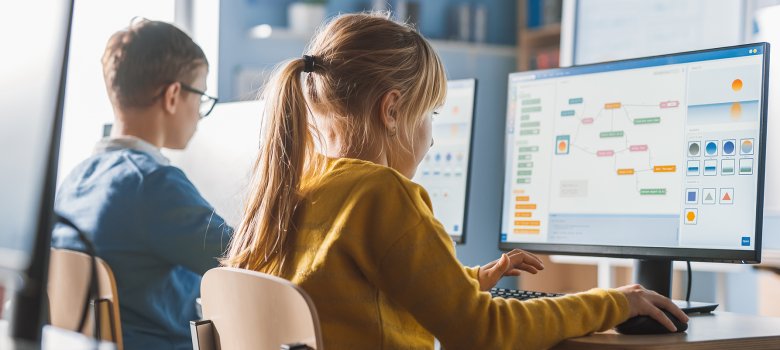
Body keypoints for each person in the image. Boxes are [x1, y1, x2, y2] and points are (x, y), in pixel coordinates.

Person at [223, 12, 688, 350]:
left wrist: (466, 281)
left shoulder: (296, 191)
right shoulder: (381, 194)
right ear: (391, 111)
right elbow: (481, 332)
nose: (429, 134)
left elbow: (360, 296)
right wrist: (612, 303)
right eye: (431, 113)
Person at [53, 19, 231, 350]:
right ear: (174, 95)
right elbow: (245, 258)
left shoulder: (75, 179)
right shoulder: (153, 184)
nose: (200, 112)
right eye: (202, 95)